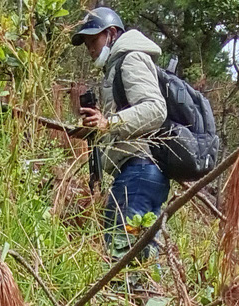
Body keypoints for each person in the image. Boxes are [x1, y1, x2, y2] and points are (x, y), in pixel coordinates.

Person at [71, 7, 168, 255]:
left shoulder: (131, 59)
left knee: (123, 253)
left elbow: (155, 110)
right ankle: (147, 294)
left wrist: (109, 123)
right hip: (138, 173)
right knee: (137, 255)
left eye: (94, 40)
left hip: (139, 170)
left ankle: (141, 293)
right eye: (87, 44)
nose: (91, 49)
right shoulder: (116, 67)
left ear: (112, 33)